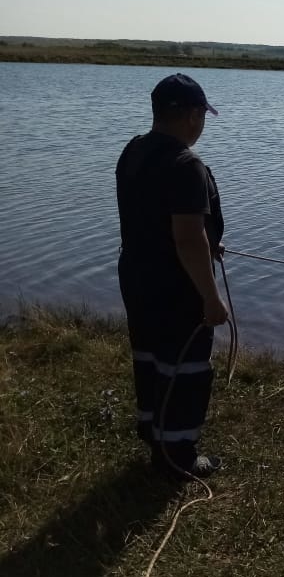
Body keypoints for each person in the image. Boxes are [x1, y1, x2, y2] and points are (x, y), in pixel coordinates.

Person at [116, 73, 228, 479]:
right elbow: (186, 238)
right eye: (203, 115)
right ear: (193, 115)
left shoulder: (134, 151)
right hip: (176, 286)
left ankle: (154, 434)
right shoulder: (187, 165)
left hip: (138, 277)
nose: (202, 124)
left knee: (151, 358)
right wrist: (212, 299)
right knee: (187, 367)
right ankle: (178, 456)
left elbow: (153, 219)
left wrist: (206, 240)